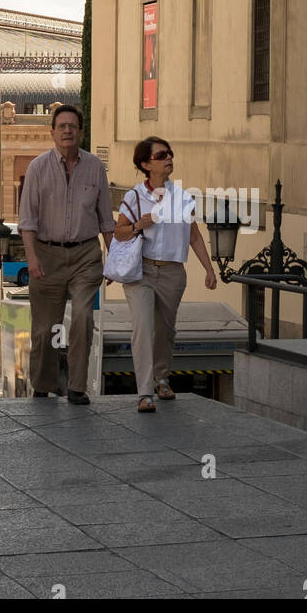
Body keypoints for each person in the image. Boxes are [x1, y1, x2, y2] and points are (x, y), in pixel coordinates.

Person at [18, 105, 113, 404]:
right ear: (53, 132)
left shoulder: (96, 167)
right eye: (62, 126)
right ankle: (43, 385)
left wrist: (115, 261)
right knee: (45, 330)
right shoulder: (37, 168)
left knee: (83, 318)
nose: (67, 131)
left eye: (73, 126)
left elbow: (106, 221)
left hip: (85, 254)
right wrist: (32, 257)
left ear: (81, 132)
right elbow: (27, 220)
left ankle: (76, 387)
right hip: (47, 255)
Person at [116, 137, 217, 413]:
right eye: (162, 155)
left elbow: (194, 237)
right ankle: (145, 392)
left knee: (165, 330)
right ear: (146, 164)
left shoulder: (184, 198)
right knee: (143, 329)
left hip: (173, 272)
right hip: (142, 270)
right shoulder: (134, 196)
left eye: (170, 153)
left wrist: (209, 269)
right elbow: (119, 232)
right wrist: (138, 224)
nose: (169, 158)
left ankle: (162, 379)